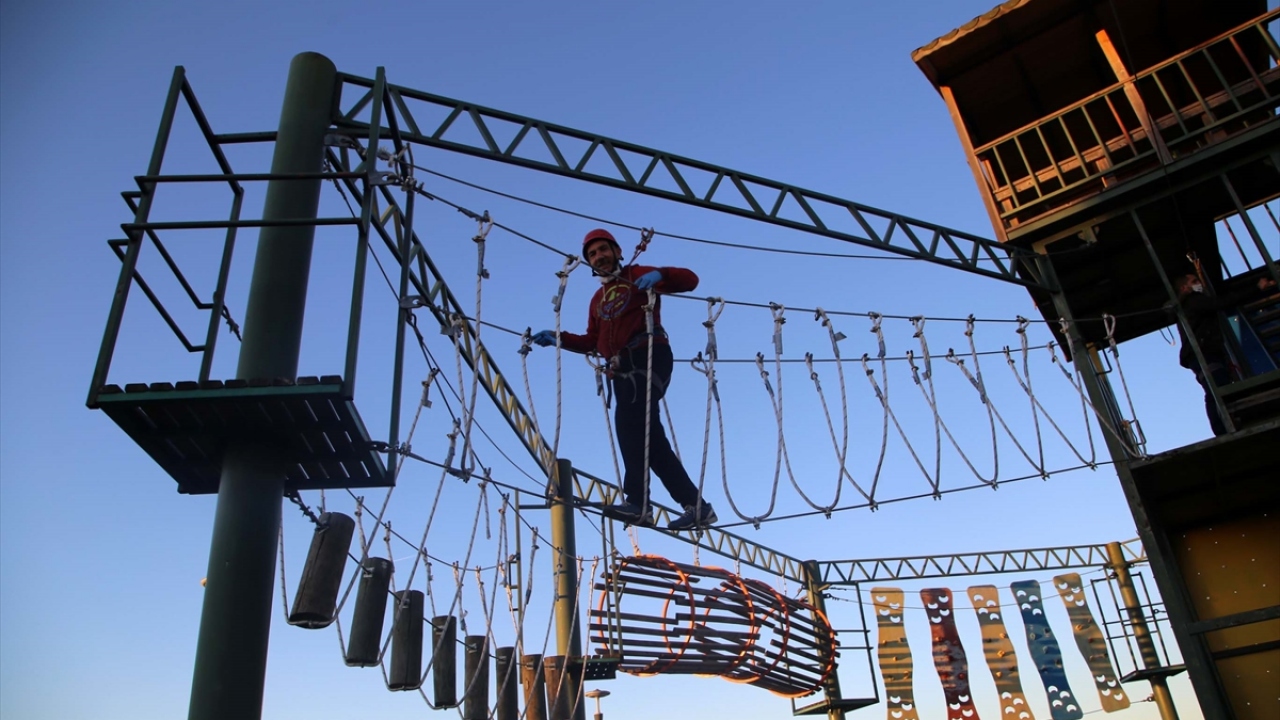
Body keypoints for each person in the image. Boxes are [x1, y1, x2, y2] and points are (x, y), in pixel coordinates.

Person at [531, 228, 717, 531]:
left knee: (629, 425)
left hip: (648, 353)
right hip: (621, 367)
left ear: (617, 251)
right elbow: (593, 340)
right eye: (592, 254)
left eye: (603, 250)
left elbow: (690, 280)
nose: (598, 257)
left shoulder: (638, 274)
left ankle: (638, 504)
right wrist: (559, 338)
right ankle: (696, 506)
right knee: (650, 441)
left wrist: (660, 274)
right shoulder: (598, 300)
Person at [1174, 272, 1276, 436]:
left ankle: (1223, 427)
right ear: (1185, 287)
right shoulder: (1193, 301)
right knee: (1216, 389)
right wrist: (1256, 288)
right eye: (1194, 281)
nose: (1199, 283)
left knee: (1216, 388)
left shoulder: (1188, 306)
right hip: (1204, 352)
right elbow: (1222, 302)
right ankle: (1221, 429)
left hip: (1203, 352)